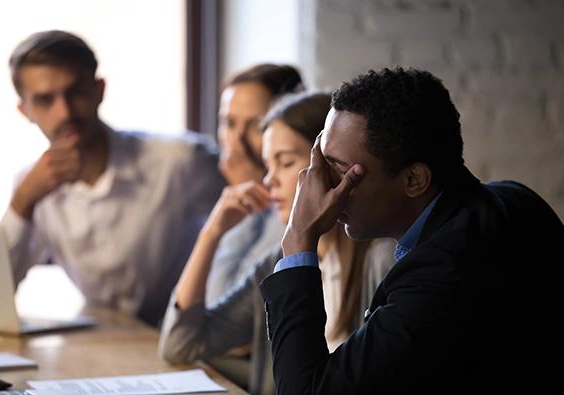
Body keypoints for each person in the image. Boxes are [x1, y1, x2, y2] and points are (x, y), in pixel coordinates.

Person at [259, 67, 564, 394]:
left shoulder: (442, 275)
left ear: (414, 180)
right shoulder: (512, 196)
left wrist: (299, 241)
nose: (322, 189)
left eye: (342, 173)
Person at [158, 92, 397, 395]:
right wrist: (211, 234)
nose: (269, 180)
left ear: (330, 166)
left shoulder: (381, 260)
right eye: (267, 164)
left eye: (284, 162)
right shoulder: (277, 264)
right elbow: (180, 344)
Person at [0, 30, 225, 327]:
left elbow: (253, 233)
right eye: (44, 100)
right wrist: (21, 203)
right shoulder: (30, 186)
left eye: (76, 92)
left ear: (99, 90)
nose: (64, 112)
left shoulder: (179, 160)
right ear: (24, 110)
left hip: (186, 337)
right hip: (106, 342)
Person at [204, 64, 304, 305]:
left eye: (255, 126)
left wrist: (248, 205)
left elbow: (220, 303)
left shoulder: (292, 210)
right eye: (228, 123)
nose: (235, 141)